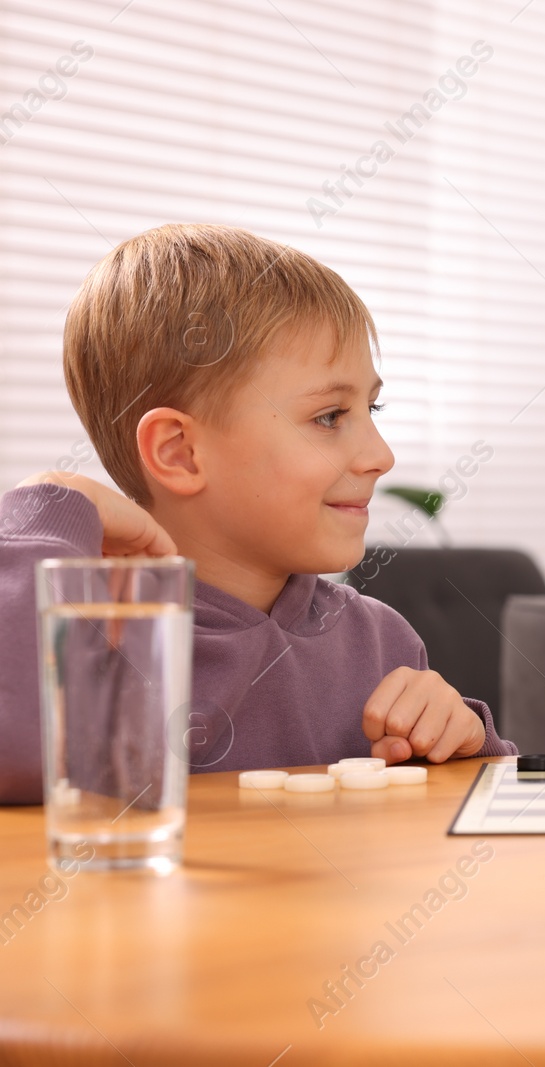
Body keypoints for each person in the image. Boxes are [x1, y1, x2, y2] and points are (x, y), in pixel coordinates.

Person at [0, 223, 516, 804]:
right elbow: (16, 751)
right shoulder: (96, 632)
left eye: (372, 407)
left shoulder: (381, 642)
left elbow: (466, 834)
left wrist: (463, 743)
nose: (381, 456)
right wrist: (46, 504)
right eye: (329, 416)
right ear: (179, 452)